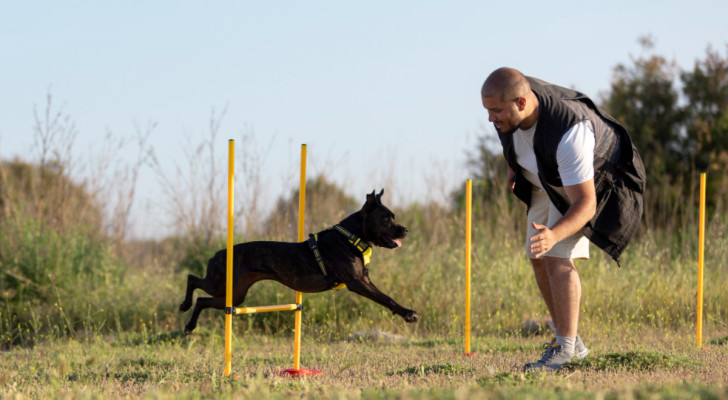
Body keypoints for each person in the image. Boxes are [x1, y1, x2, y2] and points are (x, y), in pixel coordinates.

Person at [480, 67, 645, 371]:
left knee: (556, 254)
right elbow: (515, 139)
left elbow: (585, 204)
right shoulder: (508, 108)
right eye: (487, 110)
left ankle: (565, 351)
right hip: (547, 175)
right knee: (537, 254)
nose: (491, 118)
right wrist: (514, 168)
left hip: (587, 183)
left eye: (496, 111)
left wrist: (555, 234)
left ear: (521, 103)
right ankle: (568, 341)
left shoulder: (570, 133)